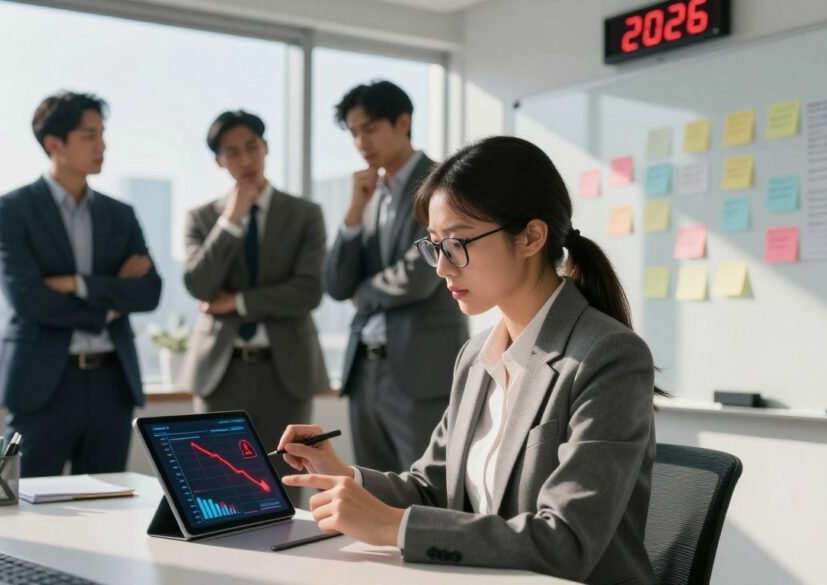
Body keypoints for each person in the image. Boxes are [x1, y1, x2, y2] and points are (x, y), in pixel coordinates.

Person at [280, 136, 660, 584]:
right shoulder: (475, 357)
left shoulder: (608, 357)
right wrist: (344, 476)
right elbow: (434, 488)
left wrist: (391, 526)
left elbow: (565, 541)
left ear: (531, 237)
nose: (442, 267)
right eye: (434, 245)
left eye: (457, 243)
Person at [0, 91, 162, 477]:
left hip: (111, 384)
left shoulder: (120, 215)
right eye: (89, 136)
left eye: (102, 134)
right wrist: (110, 299)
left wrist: (76, 284)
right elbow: (27, 299)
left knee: (105, 509)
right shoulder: (11, 210)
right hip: (42, 384)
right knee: (21, 506)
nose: (103, 145)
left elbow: (149, 292)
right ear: (55, 144)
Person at [323, 80, 467, 473]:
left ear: (403, 122)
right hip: (364, 370)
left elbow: (420, 274)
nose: (360, 141)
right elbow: (336, 285)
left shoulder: (442, 183)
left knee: (425, 491)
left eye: (369, 128)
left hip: (419, 372)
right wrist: (354, 212)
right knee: (374, 490)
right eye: (353, 132)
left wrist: (363, 291)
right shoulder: (368, 192)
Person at [179, 110, 329, 484]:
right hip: (220, 371)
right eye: (232, 153)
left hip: (286, 371)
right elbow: (199, 286)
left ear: (266, 148)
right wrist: (230, 221)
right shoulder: (201, 218)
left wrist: (238, 302)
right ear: (218, 160)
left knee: (285, 485)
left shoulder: (304, 214)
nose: (245, 161)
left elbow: (308, 291)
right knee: (216, 485)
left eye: (252, 148)